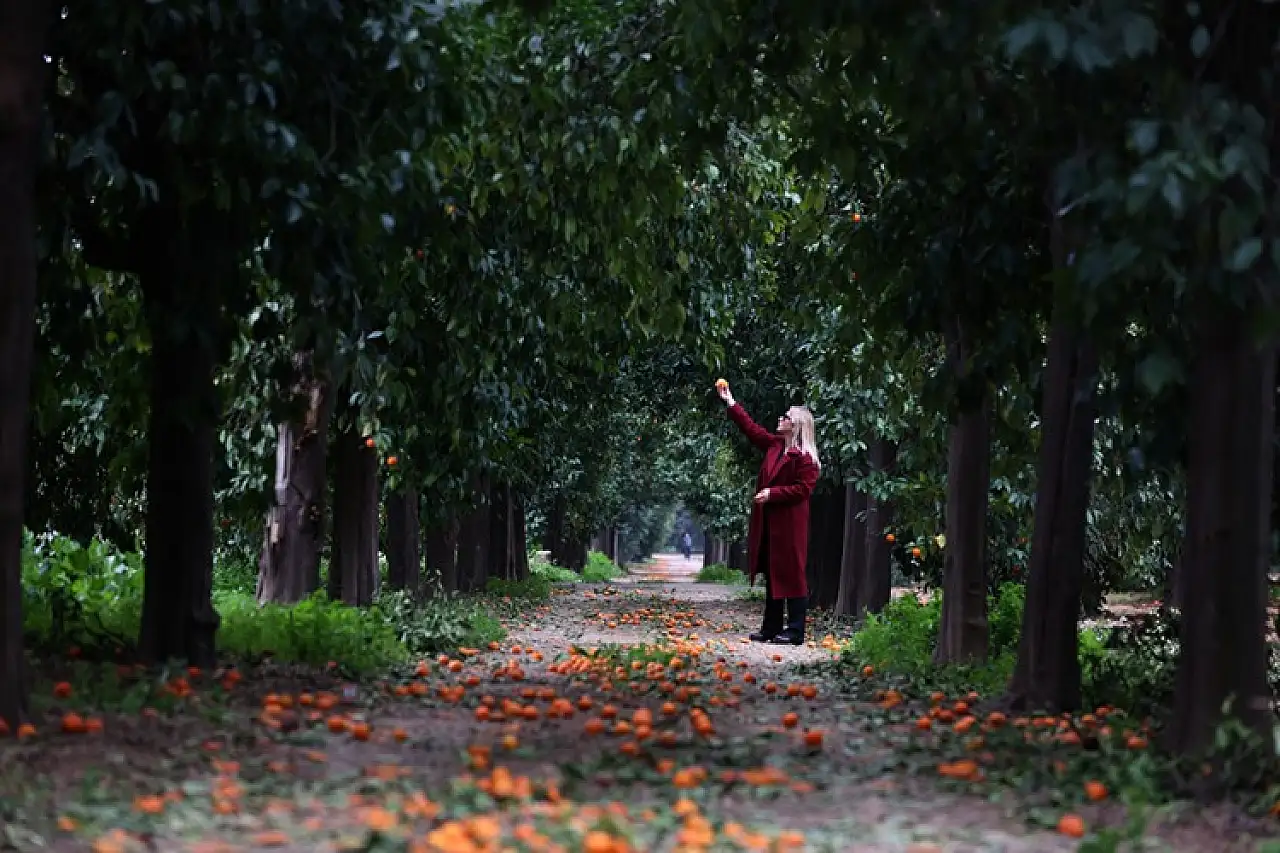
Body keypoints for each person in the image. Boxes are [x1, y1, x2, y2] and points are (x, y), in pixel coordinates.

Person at [716, 380, 820, 645]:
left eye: (785, 417)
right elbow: (750, 429)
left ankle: (796, 630)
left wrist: (773, 494)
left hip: (790, 524)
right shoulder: (775, 446)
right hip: (770, 522)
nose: (780, 418)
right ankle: (771, 627)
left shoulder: (805, 459)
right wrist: (730, 401)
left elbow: (802, 490)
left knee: (793, 574)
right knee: (773, 572)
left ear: (795, 426)